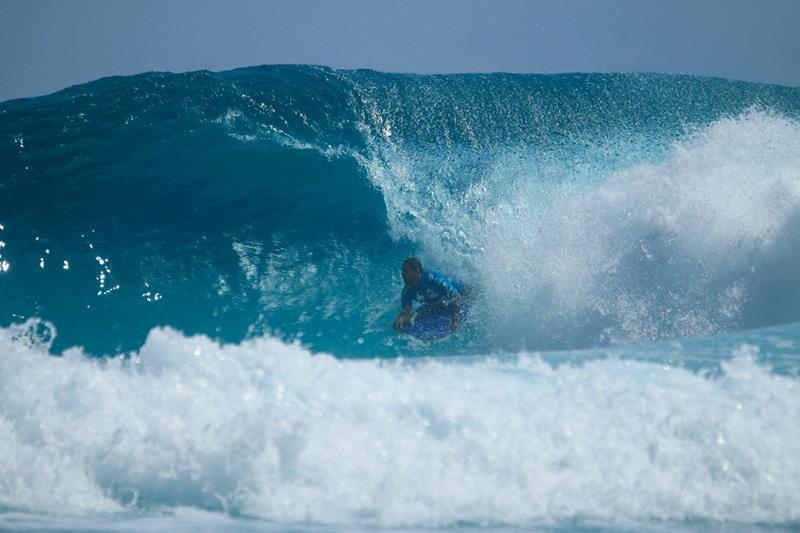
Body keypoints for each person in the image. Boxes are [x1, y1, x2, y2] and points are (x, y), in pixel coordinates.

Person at [392, 256, 465, 331]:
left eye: (406, 271)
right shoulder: (407, 291)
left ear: (416, 270)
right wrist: (401, 319)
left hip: (462, 292)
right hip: (439, 303)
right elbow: (406, 310)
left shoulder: (432, 279)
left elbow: (456, 296)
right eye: (402, 271)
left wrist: (455, 320)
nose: (402, 274)